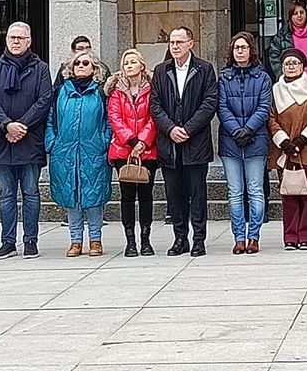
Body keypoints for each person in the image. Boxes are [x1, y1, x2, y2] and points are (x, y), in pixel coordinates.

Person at [0, 21, 54, 259]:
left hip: (29, 140)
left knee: (31, 193)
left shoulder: (41, 68)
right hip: (2, 141)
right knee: (6, 195)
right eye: (12, 37)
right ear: (6, 40)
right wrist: (7, 126)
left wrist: (21, 126)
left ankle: (31, 241)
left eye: (20, 38)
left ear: (29, 41)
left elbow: (44, 101)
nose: (15, 41)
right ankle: (8, 242)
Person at [149, 25, 219, 257]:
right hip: (169, 144)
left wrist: (187, 129)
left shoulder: (205, 69)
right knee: (174, 194)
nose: (175, 46)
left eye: (179, 42)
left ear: (191, 43)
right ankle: (180, 239)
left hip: (195, 142)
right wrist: (170, 128)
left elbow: (210, 103)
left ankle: (199, 239)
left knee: (197, 194)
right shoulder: (161, 70)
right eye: (172, 42)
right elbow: (155, 105)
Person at [48, 53, 112, 256]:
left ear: (94, 68)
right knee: (72, 195)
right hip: (65, 151)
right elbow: (50, 119)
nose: (81, 66)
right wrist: (52, 143)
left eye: (86, 63)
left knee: (93, 196)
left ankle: (95, 239)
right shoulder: (61, 92)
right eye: (77, 63)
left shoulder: (100, 93)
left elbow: (109, 119)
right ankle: (75, 240)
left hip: (93, 151)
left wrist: (104, 141)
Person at [216, 31, 272, 254]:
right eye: (237, 47)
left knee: (256, 190)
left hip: (255, 140)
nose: (240, 51)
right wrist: (236, 130)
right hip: (230, 141)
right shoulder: (224, 77)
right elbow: (221, 107)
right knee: (235, 191)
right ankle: (239, 237)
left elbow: (264, 106)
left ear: (251, 50)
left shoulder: (263, 77)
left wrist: (248, 129)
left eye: (244, 47)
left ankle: (254, 236)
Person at [269, 47, 307, 250]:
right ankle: (290, 236)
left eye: (295, 63)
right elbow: (271, 118)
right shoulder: (275, 91)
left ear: (303, 66)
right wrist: (284, 142)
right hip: (284, 149)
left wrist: (302, 139)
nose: (291, 66)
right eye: (287, 63)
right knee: (289, 193)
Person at [106, 48, 157, 256]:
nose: (129, 65)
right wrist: (132, 140)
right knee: (127, 196)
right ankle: (130, 241)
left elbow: (155, 117)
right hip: (123, 149)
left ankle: (145, 240)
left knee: (146, 195)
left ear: (142, 65)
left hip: (147, 149)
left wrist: (143, 141)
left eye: (133, 62)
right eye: (126, 62)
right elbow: (114, 117)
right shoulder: (116, 91)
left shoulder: (153, 89)